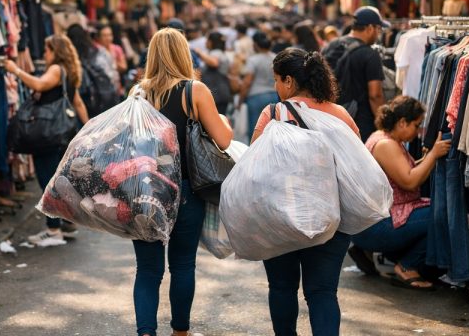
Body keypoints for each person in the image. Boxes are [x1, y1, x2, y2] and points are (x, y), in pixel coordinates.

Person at [132, 28, 232, 336]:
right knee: (183, 265)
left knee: (147, 270)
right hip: (186, 190)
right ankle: (180, 332)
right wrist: (223, 121)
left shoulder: (138, 93)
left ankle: (146, 332)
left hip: (146, 190)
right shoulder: (195, 91)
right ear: (183, 53)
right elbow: (224, 140)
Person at [251, 48, 358, 336]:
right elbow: (356, 168)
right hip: (329, 219)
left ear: (288, 81)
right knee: (322, 292)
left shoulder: (273, 114)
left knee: (282, 288)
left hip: (279, 217)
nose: (275, 87)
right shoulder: (340, 115)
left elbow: (255, 167)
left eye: (276, 80)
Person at [350, 96, 451, 289]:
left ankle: (374, 252)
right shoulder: (385, 145)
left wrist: (430, 157)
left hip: (376, 222)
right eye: (416, 125)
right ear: (402, 122)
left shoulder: (383, 138)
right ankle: (407, 266)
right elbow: (409, 180)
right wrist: (434, 155)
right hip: (378, 225)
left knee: (435, 211)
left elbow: (406, 172)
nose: (418, 131)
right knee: (441, 215)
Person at [5, 35, 89, 247]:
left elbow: (40, 85)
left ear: (56, 51)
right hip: (63, 133)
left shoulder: (56, 69)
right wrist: (87, 128)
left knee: (48, 181)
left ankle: (53, 229)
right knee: (61, 180)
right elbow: (77, 102)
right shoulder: (69, 71)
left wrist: (16, 70)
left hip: (48, 134)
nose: (44, 53)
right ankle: (66, 224)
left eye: (47, 49)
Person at [325, 6, 387, 141]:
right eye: (378, 29)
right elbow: (375, 95)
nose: (378, 34)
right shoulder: (370, 54)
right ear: (370, 28)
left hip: (331, 119)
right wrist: (384, 126)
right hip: (360, 122)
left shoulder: (331, 45)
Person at [239, 31, 279, 139]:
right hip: (274, 95)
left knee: (256, 131)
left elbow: (247, 82)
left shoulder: (253, 60)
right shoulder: (276, 58)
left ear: (255, 45)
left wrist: (240, 100)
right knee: (274, 130)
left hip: (256, 97)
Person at [192, 31, 232, 114]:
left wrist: (199, 52)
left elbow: (214, 63)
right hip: (221, 93)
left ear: (211, 42)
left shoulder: (216, 52)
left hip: (217, 94)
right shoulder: (221, 53)